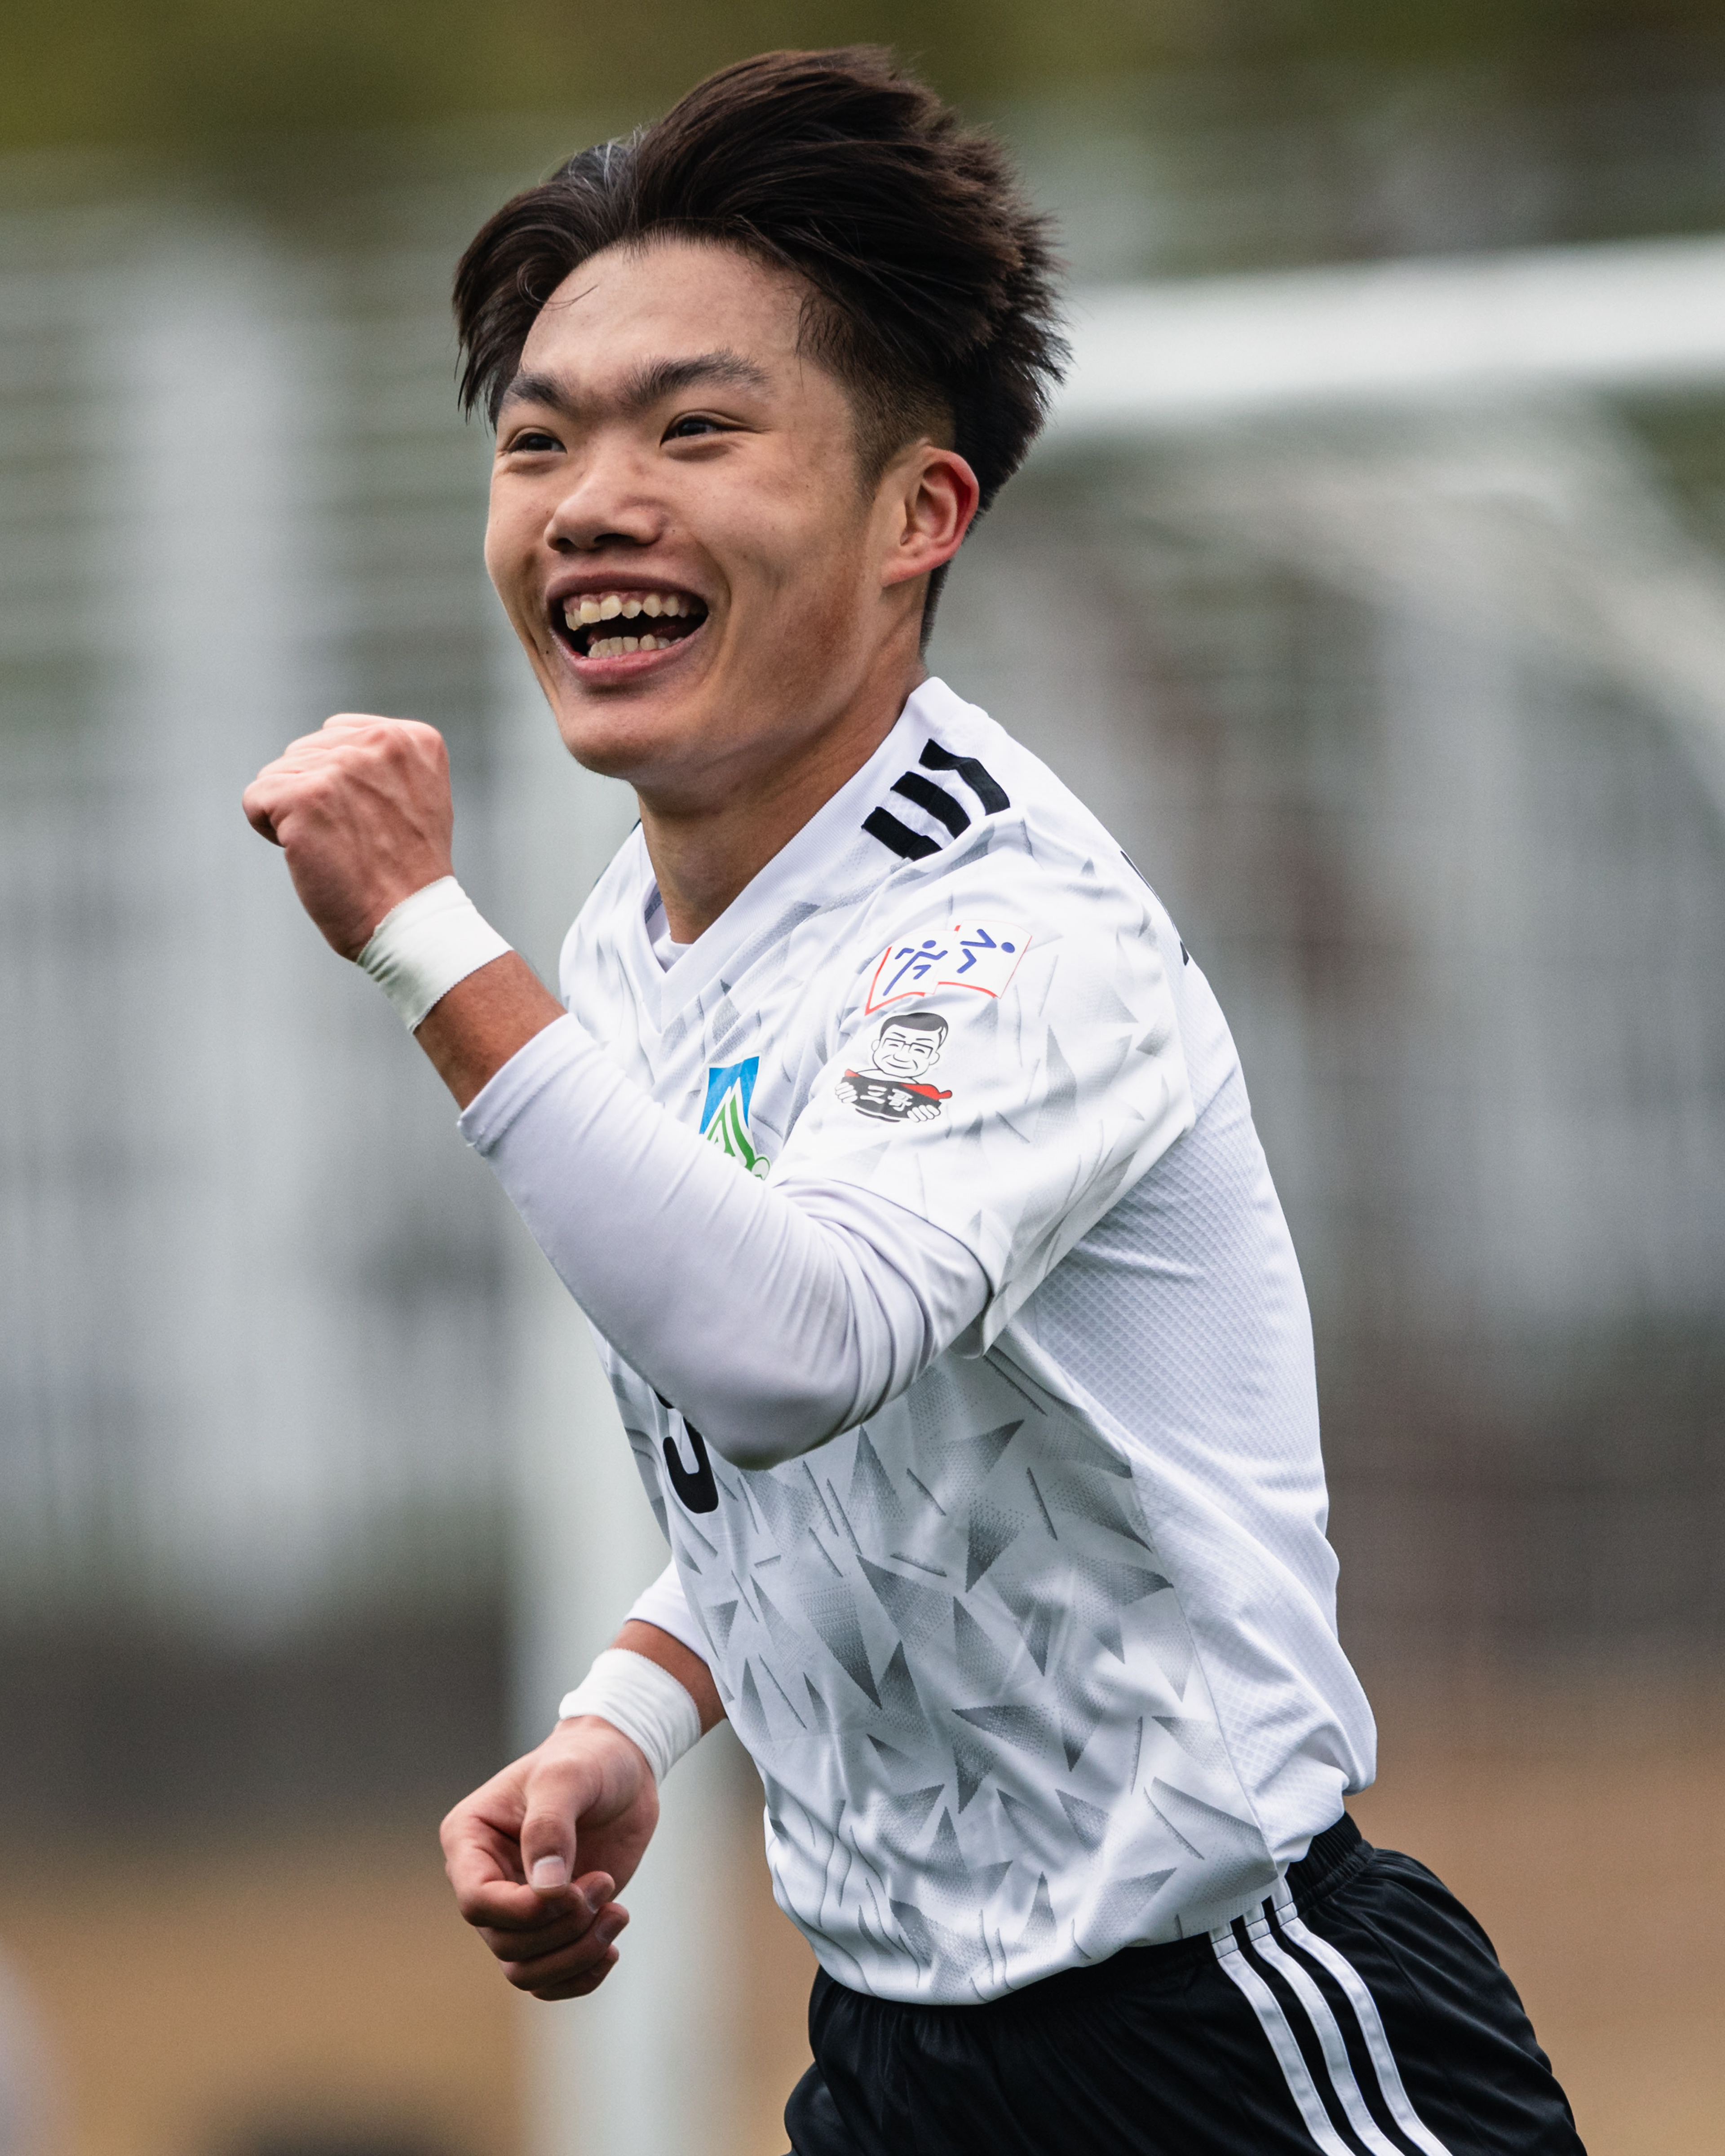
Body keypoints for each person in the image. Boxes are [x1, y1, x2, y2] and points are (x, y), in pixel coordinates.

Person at [242, 47, 1585, 2156]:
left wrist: (422, 939)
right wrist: (630, 1719)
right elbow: (856, 1466)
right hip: (897, 2049)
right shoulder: (632, 940)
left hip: (1231, 2039)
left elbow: (795, 1350)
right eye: (541, 440)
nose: (595, 499)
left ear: (918, 515)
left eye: (699, 428)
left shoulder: (1014, 935)